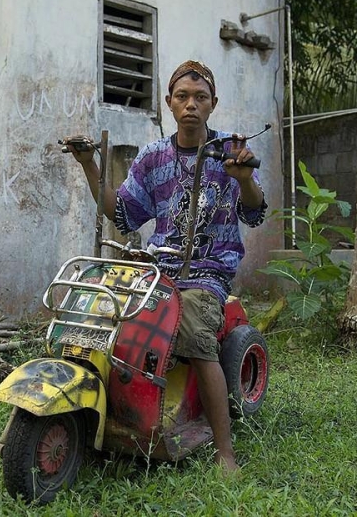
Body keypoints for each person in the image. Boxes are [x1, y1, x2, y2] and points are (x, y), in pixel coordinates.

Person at [67, 60, 267, 473]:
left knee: (194, 331)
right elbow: (118, 213)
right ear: (169, 103)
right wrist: (89, 164)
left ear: (213, 104)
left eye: (200, 97)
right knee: (97, 314)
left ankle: (224, 452)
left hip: (208, 271)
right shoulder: (154, 156)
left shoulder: (230, 149)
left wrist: (244, 178)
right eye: (182, 97)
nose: (191, 104)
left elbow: (254, 212)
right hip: (159, 267)